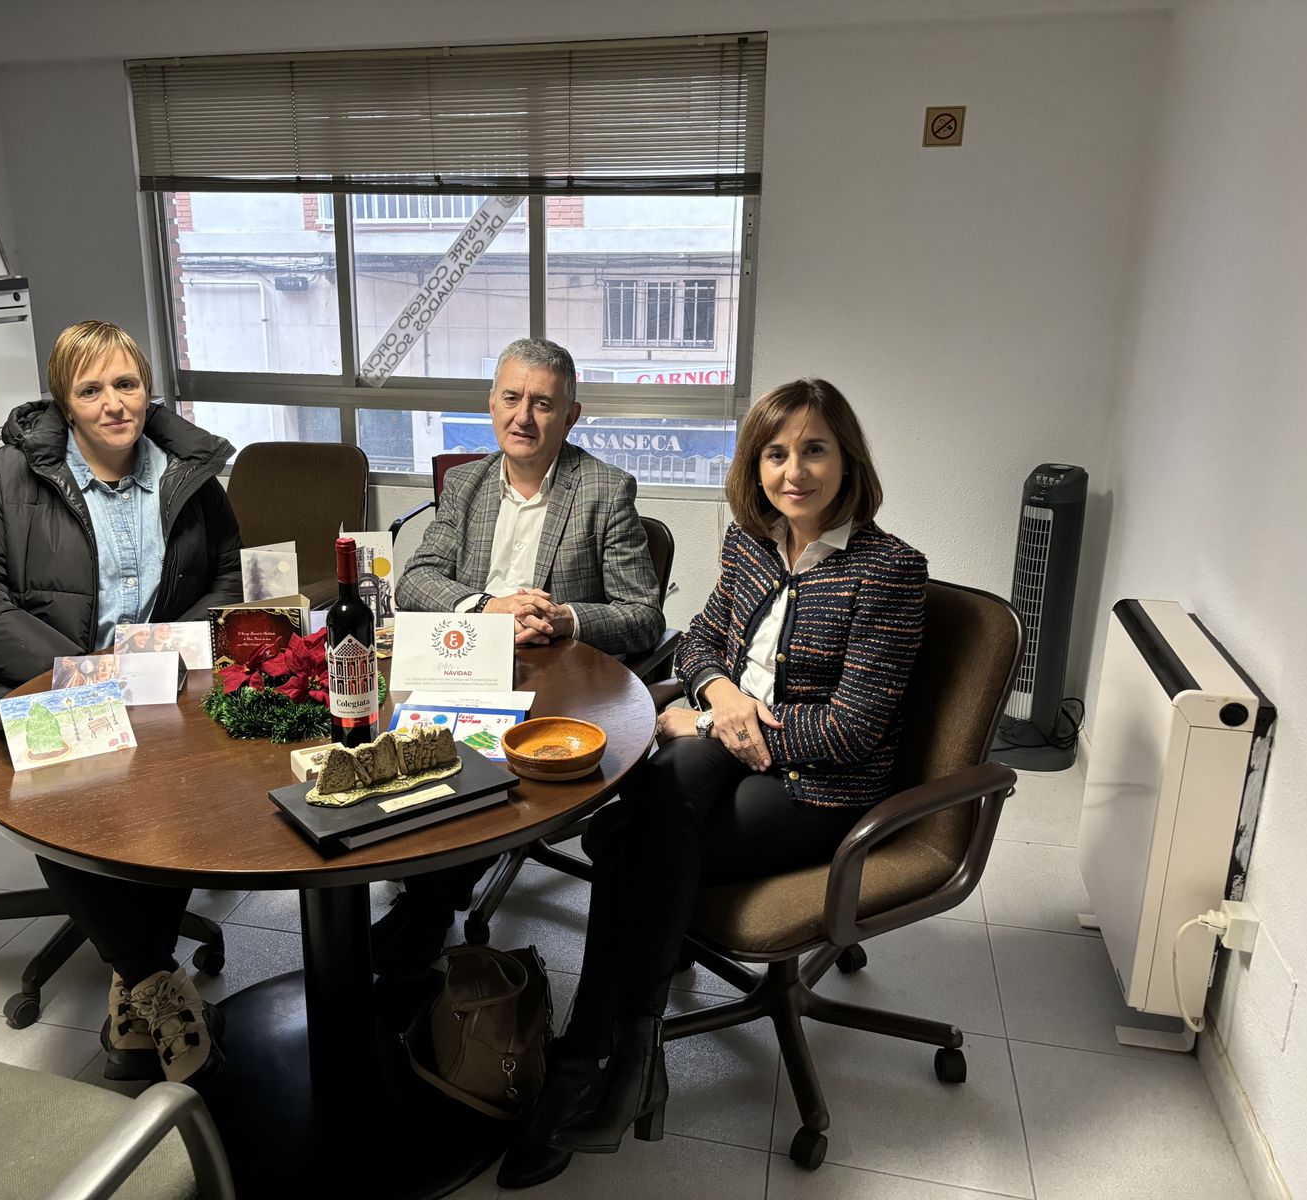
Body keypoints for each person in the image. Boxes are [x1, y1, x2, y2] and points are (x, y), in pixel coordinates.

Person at [497, 379, 927, 1189]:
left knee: (626, 840)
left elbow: (853, 729)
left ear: (848, 460)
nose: (793, 471)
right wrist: (721, 696)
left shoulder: (890, 571)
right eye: (775, 453)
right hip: (731, 747)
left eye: (814, 450)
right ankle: (627, 1054)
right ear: (754, 464)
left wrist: (713, 725)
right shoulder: (751, 542)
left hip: (818, 786)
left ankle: (590, 1059)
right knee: (644, 823)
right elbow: (697, 641)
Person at [0, 320, 242, 1089]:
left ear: (148, 388)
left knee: (182, 782)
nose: (113, 403)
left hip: (158, 685)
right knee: (67, 783)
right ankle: (156, 980)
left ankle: (133, 1004)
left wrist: (161, 661)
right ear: (63, 401)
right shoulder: (3, 479)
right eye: (90, 389)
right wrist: (78, 675)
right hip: (24, 684)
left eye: (125, 384)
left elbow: (228, 582)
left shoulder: (189, 477)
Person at [380, 337, 664, 976]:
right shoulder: (466, 484)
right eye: (512, 398)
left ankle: (428, 908)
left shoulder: (605, 489)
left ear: (571, 415)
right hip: (464, 663)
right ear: (492, 404)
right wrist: (486, 606)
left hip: (557, 685)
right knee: (407, 750)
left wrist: (565, 617)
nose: (523, 417)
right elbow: (416, 579)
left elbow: (644, 615)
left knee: (472, 763)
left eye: (543, 403)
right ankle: (424, 888)